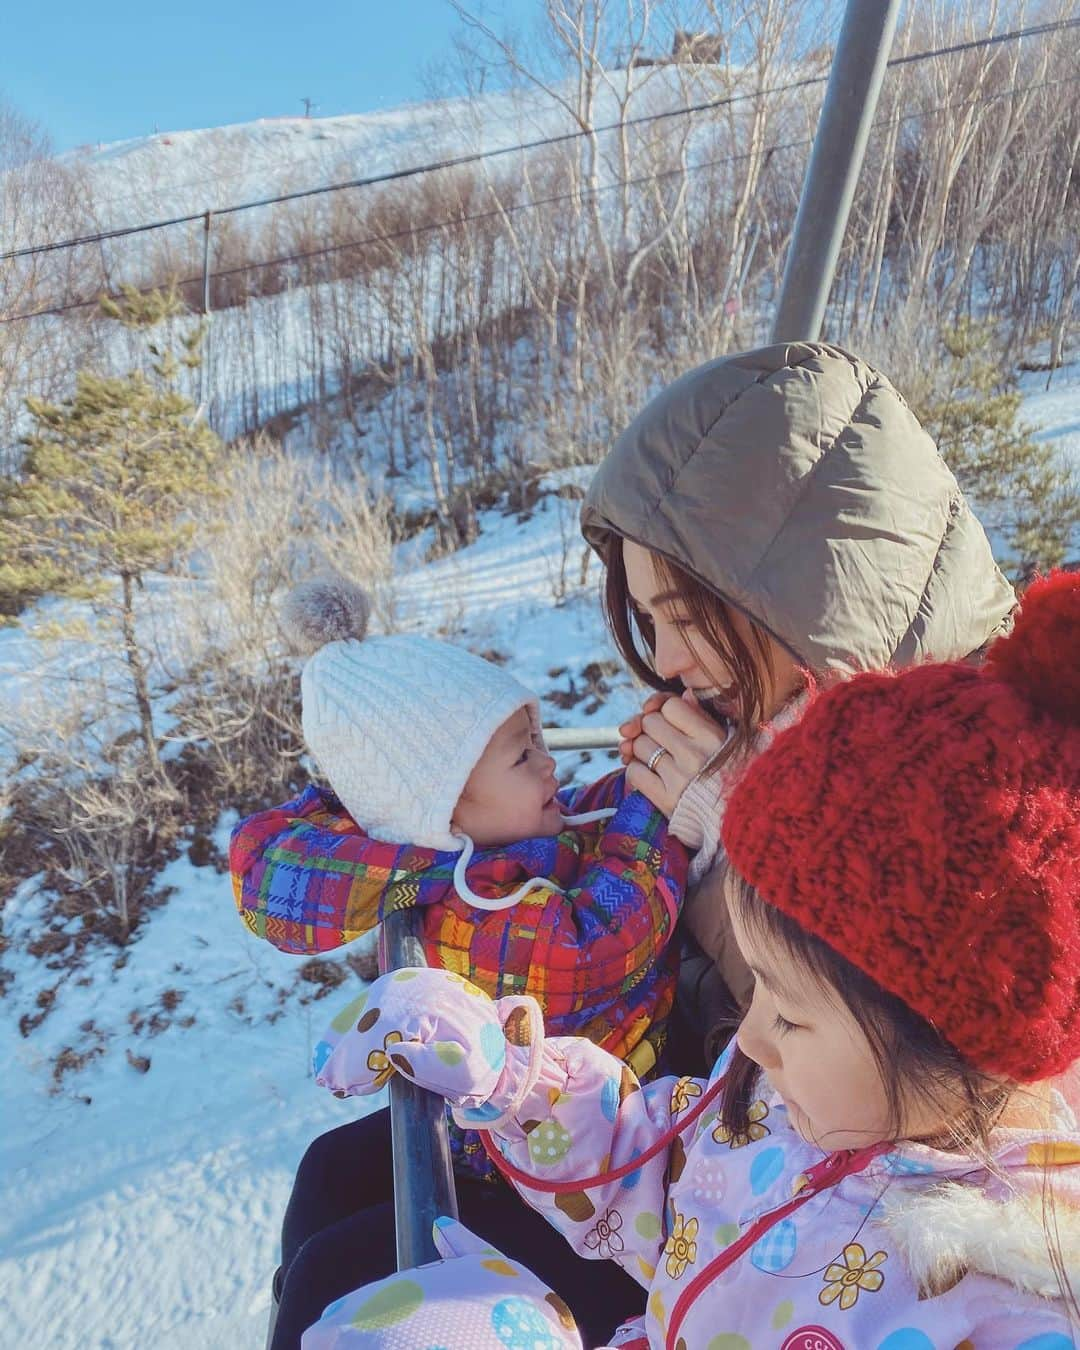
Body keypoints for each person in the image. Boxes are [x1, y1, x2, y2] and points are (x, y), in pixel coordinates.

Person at [236, 341, 1017, 1347]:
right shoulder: (758, 728)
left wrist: (723, 827)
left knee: (345, 1273)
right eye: (651, 622)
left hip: (778, 1207)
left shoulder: (938, 800)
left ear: (805, 592)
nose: (671, 665)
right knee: (334, 1190)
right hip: (676, 1135)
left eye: (687, 618)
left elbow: (825, 1049)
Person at [310, 569, 1080, 1349]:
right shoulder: (783, 1107)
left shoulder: (996, 1304)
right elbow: (654, 1165)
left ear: (948, 1033)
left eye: (789, 1010)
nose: (750, 1038)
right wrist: (505, 1074)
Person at [232, 574, 688, 1347]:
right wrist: (655, 802)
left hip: (568, 1167)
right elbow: (602, 938)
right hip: (532, 1162)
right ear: (442, 810)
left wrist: (636, 771)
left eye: (540, 739)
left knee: (327, 1254)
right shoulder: (482, 904)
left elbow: (578, 812)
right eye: (523, 756)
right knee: (328, 1203)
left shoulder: (483, 848)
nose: (550, 765)